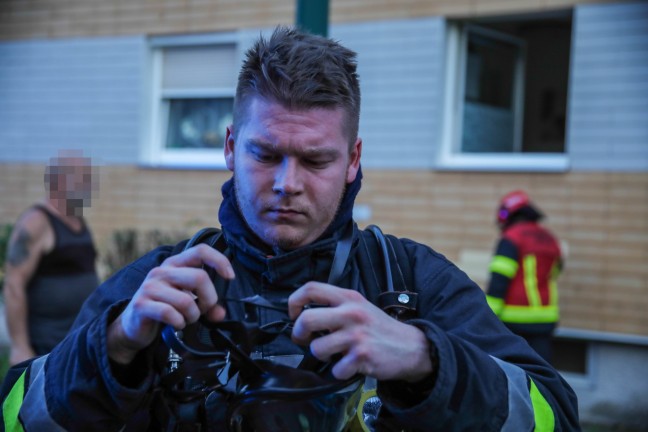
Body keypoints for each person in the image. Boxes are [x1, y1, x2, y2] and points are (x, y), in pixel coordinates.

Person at [1, 27, 579, 431]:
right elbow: (16, 415)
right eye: (266, 153)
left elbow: (555, 416)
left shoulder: (413, 284)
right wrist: (114, 346)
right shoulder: (158, 286)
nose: (286, 183)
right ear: (230, 147)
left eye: (315, 160)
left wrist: (428, 360)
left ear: (353, 161)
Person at [2, 149, 100, 365]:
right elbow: (13, 284)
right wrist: (20, 347)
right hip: (44, 347)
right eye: (82, 179)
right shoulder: (35, 222)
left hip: (76, 343)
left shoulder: (78, 221)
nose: (89, 185)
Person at [485, 190, 563, 363]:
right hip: (546, 319)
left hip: (514, 319)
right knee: (541, 372)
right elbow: (556, 271)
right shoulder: (550, 238)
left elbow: (499, 281)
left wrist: (486, 316)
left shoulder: (512, 238)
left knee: (514, 373)